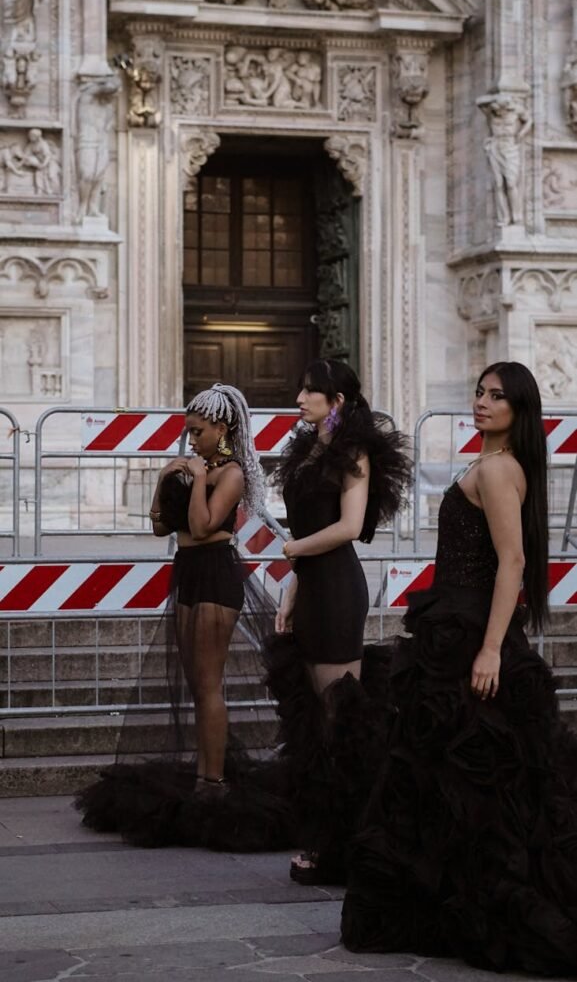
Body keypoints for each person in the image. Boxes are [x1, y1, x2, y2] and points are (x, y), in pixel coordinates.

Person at [341, 362, 577, 976]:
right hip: (455, 630)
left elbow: (512, 562)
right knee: (450, 780)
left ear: (519, 410)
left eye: (497, 396)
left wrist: (492, 649)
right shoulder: (495, 463)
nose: (481, 402)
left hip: (471, 638)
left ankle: (477, 903)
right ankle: (450, 902)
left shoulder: (498, 469)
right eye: (479, 391)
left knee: (470, 781)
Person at [76, 383, 289, 849]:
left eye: (198, 432)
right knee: (196, 682)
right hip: (187, 571)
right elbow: (160, 526)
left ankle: (212, 780)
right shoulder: (196, 466)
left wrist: (195, 478)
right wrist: (163, 478)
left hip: (215, 573)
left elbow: (202, 525)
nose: (191, 439)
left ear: (222, 429)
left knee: (209, 683)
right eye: (188, 432)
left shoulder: (231, 473)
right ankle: (204, 771)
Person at [265, 358, 411, 885]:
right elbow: (308, 529)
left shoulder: (354, 452)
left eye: (311, 391)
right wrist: (291, 590)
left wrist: (294, 551)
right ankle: (326, 836)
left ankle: (346, 844)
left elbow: (348, 527)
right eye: (301, 389)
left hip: (339, 592)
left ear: (338, 401)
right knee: (315, 722)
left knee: (338, 720)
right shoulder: (309, 449)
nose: (300, 399)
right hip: (312, 587)